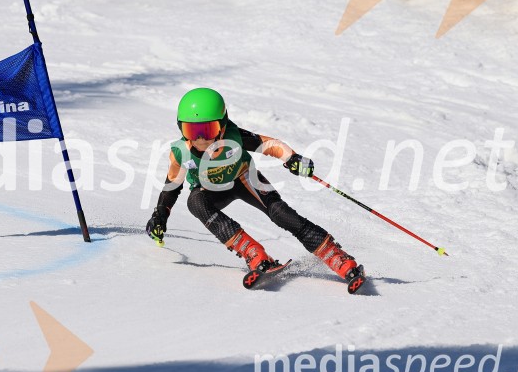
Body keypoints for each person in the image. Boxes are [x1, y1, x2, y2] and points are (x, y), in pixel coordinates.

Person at [146, 87, 364, 283]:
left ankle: (337, 257)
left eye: (208, 129)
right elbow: (173, 185)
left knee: (280, 213)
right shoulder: (181, 152)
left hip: (245, 179)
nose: (201, 139)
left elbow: (269, 144)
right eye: (192, 131)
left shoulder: (235, 137)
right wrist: (160, 216)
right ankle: (253, 253)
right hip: (210, 190)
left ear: (222, 126)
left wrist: (292, 158)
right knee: (195, 202)